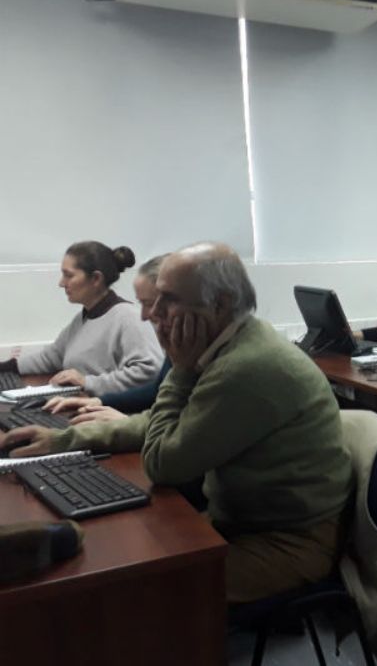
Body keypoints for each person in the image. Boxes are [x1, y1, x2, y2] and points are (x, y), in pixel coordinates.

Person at [0, 242, 353, 603]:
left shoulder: (246, 367)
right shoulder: (234, 342)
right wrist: (66, 440)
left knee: (128, 591)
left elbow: (163, 464)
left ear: (220, 304)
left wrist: (181, 368)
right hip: (240, 522)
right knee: (126, 552)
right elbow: (157, 422)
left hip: (286, 543)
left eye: (166, 300)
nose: (148, 315)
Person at [0, 241, 162, 396]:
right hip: (82, 405)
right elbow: (51, 357)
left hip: (107, 412)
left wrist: (87, 382)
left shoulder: (128, 318)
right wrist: (5, 367)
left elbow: (150, 370)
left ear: (96, 279)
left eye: (68, 276)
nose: (61, 283)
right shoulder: (84, 318)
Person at [44, 255, 172, 424]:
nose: (144, 316)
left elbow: (185, 431)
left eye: (151, 304)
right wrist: (99, 402)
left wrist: (126, 421)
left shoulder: (127, 316)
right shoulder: (82, 318)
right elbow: (157, 392)